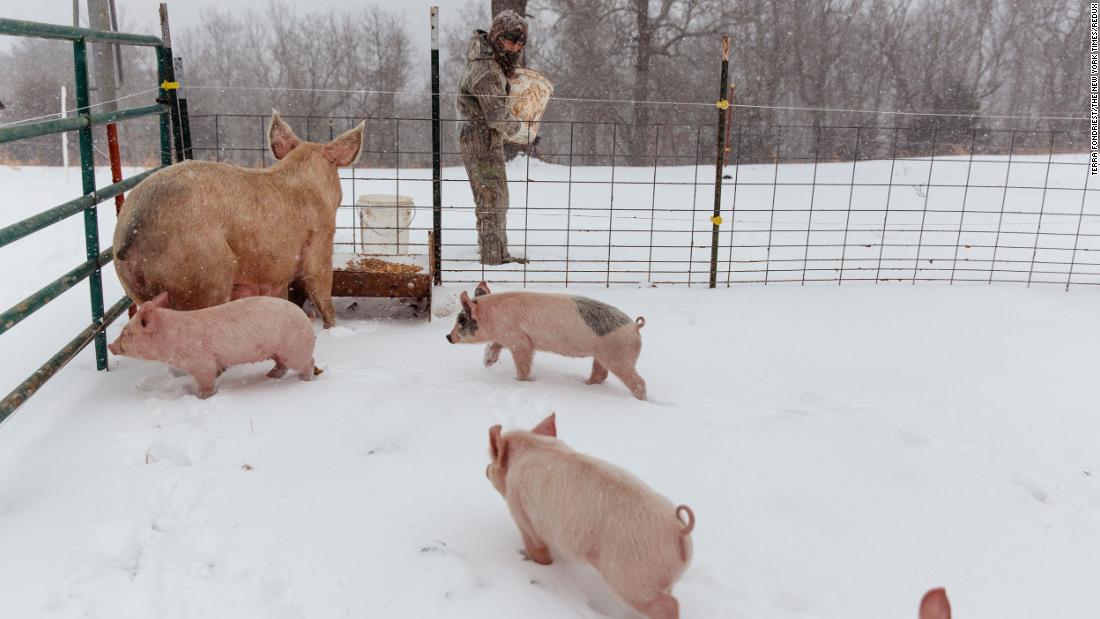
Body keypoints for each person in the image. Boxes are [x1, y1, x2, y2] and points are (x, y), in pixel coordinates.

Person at [456, 10, 529, 266]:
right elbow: (497, 115)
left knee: (495, 199)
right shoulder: (485, 69)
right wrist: (521, 129)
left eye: (521, 41)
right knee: (492, 200)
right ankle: (493, 262)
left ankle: (497, 255)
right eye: (510, 39)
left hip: (482, 138)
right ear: (498, 35)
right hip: (480, 142)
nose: (515, 46)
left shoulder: (491, 60)